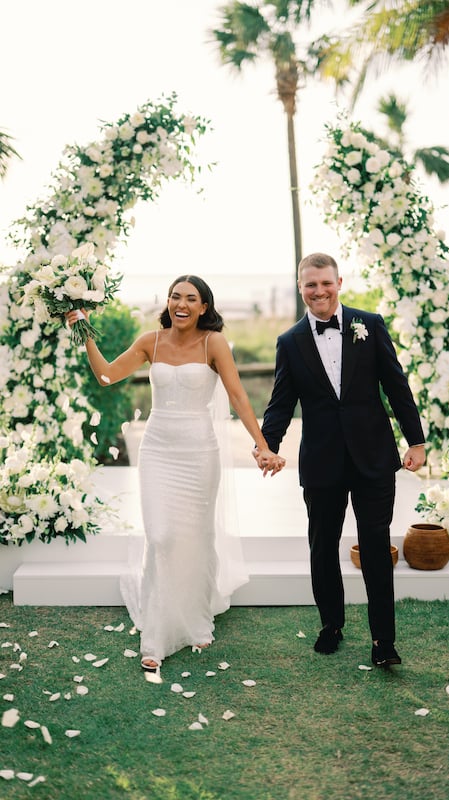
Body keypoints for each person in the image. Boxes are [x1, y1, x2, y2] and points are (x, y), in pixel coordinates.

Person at [67, 275, 284, 674]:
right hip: (158, 451)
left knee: (196, 538)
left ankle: (195, 616)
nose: (181, 304)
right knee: (162, 536)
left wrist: (263, 446)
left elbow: (238, 396)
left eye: (191, 299)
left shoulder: (212, 342)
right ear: (167, 302)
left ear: (204, 307)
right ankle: (157, 633)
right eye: (175, 297)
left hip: (199, 453)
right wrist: (83, 332)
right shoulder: (151, 341)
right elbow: (107, 376)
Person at [254, 253, 425, 667]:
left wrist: (416, 441)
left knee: (374, 546)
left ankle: (384, 642)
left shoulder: (371, 324)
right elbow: (280, 403)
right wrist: (267, 444)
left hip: (373, 458)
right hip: (322, 462)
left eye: (325, 283)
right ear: (300, 287)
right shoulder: (289, 342)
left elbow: (396, 387)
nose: (319, 291)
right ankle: (331, 625)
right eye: (310, 284)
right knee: (322, 547)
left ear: (339, 282)